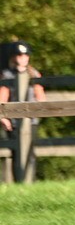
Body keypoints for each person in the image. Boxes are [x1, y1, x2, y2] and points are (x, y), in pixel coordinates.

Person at [0, 41, 47, 180]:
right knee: (17, 153)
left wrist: (39, 112)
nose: (22, 58)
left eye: (25, 55)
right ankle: (20, 181)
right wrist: (3, 118)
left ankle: (30, 180)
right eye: (18, 55)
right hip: (14, 122)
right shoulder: (6, 75)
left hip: (31, 120)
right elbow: (2, 98)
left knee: (30, 153)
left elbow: (41, 97)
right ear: (13, 57)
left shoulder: (34, 74)